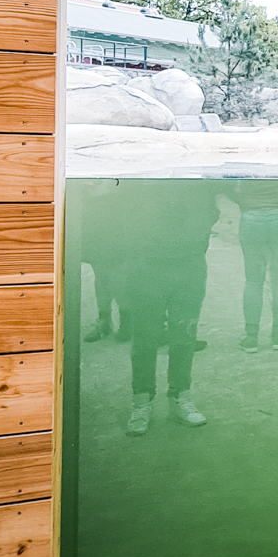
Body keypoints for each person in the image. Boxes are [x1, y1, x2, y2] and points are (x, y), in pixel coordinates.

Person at [83, 179, 221, 436]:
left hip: (189, 266)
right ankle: (141, 402)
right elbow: (114, 213)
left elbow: (210, 211)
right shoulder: (138, 176)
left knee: (184, 336)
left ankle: (181, 397)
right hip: (145, 267)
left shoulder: (195, 177)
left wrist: (192, 239)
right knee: (145, 339)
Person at [234, 180, 278, 353]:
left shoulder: (248, 154)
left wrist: (245, 203)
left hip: (252, 217)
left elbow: (230, 183)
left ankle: (251, 337)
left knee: (253, 281)